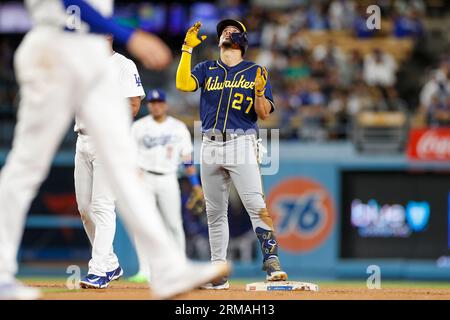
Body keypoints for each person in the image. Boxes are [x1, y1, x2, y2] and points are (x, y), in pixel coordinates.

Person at [0, 0, 228, 300]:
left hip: (89, 58)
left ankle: (165, 268)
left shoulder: (118, 64)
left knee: (119, 173)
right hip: (56, 48)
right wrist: (128, 34)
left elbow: (132, 101)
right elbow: (70, 5)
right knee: (29, 168)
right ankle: (2, 273)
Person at [176, 19, 287, 290]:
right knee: (214, 213)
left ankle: (271, 262)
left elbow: (263, 113)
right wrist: (186, 51)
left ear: (242, 41)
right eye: (223, 30)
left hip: (241, 143)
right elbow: (182, 85)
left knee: (254, 204)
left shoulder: (255, 71)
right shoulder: (207, 68)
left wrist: (260, 92)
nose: (226, 31)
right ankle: (218, 272)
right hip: (210, 144)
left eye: (232, 30)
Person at [74, 34, 145, 289]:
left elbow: (134, 105)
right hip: (82, 138)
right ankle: (111, 262)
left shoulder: (123, 65)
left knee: (103, 206)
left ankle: (98, 269)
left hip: (108, 140)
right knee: (85, 208)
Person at [128, 89, 205, 283]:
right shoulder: (138, 127)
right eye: (153, 103)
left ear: (166, 105)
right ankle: (144, 270)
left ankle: (179, 267)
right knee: (143, 225)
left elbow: (187, 159)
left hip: (169, 177)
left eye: (160, 102)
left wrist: (195, 185)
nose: (156, 106)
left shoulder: (178, 127)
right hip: (144, 177)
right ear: (149, 106)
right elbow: (129, 156)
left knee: (173, 224)